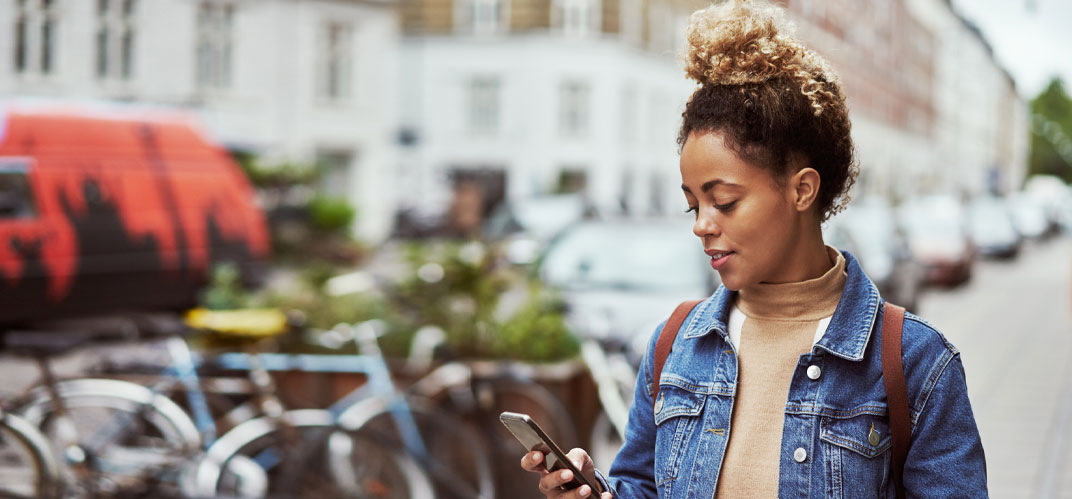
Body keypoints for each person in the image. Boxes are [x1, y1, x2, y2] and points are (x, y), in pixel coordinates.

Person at [519, 0, 988, 497]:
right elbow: (643, 484)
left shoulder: (914, 364)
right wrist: (597, 493)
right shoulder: (673, 345)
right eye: (692, 205)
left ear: (802, 190)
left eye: (724, 201)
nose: (702, 225)